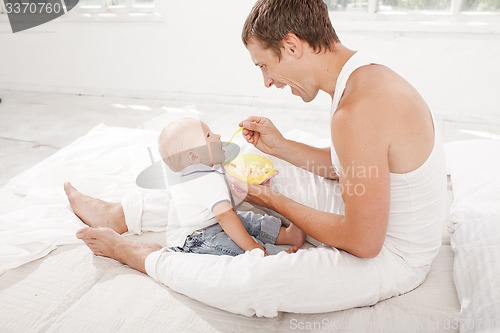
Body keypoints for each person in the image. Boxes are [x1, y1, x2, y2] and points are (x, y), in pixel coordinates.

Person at [66, 0, 447, 317]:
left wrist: (272, 201)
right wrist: (279, 146)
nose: (267, 81)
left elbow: (364, 243)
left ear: (293, 45)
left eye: (265, 65)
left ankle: (141, 256)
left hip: (393, 255)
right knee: (243, 164)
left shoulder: (358, 108)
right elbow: (348, 166)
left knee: (258, 280)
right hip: (372, 205)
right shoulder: (361, 72)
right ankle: (123, 215)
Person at [152, 117, 304, 256]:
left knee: (247, 220)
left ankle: (287, 235)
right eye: (208, 136)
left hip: (211, 222)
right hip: (193, 238)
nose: (217, 136)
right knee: (233, 243)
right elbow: (224, 215)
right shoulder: (204, 179)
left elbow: (227, 198)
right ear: (194, 156)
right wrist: (252, 246)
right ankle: (268, 255)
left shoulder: (208, 169)